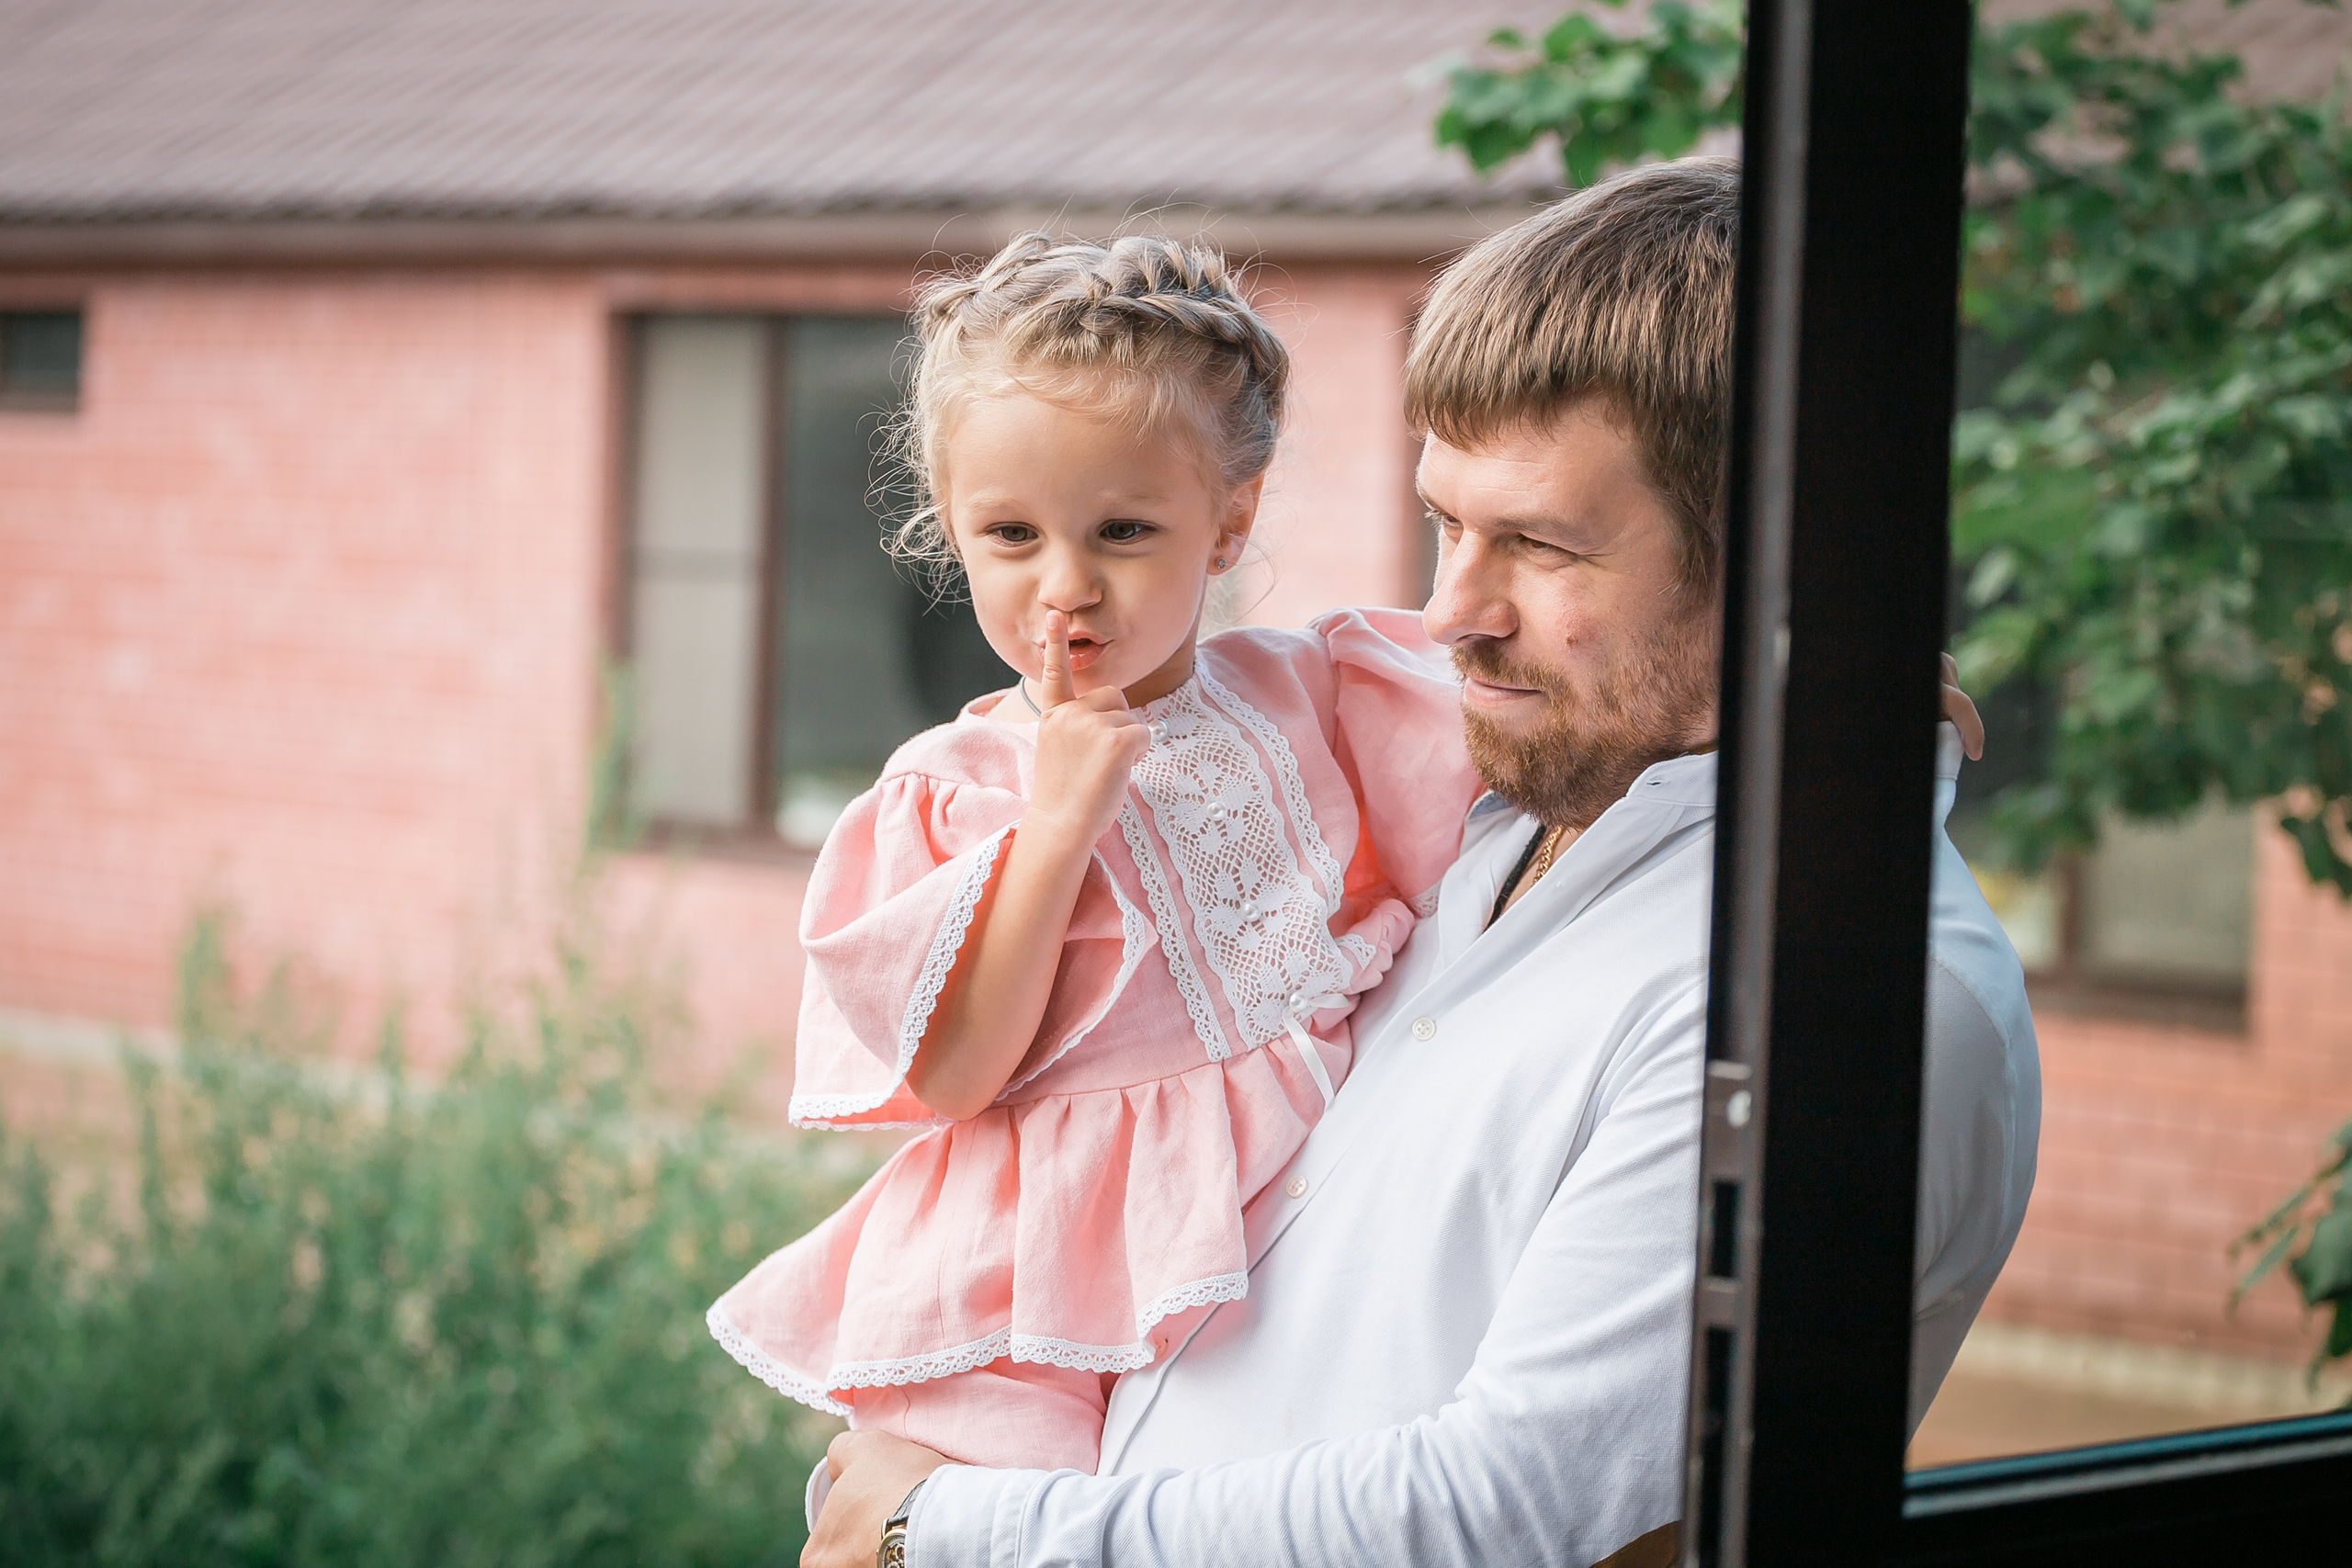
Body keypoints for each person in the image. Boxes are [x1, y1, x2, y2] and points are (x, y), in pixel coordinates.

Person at [805, 156, 2041, 1568]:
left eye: (1541, 545)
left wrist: (940, 1530)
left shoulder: (1844, 1006)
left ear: (1785, 560)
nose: (1450, 611)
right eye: (1447, 523)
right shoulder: (1488, 806)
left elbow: (1498, 1511)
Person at [708, 231, 1491, 1478]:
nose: (1065, 586)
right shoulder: (950, 793)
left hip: (1307, 1211)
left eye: (1122, 530)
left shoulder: (1314, 695)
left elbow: (1522, 792)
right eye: (1011, 535)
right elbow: (959, 1075)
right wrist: (1057, 825)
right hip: (1036, 1285)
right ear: (952, 529)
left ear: (1228, 522)